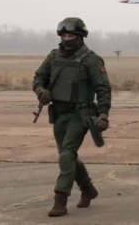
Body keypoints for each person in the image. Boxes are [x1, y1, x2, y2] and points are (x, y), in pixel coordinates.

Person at [32, 17, 111, 217]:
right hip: (58, 114)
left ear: (80, 37)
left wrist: (103, 114)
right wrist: (41, 90)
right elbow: (39, 78)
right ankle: (88, 189)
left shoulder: (91, 60)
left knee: (67, 154)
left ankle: (60, 199)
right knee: (68, 157)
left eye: (71, 36)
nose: (67, 39)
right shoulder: (53, 57)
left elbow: (103, 89)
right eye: (64, 35)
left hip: (80, 114)